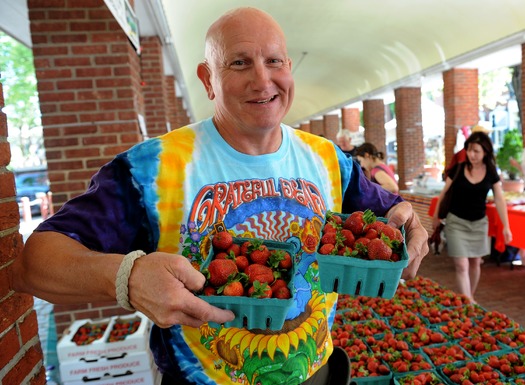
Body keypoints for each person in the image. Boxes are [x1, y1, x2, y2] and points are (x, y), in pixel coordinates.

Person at [10, 7, 429, 385]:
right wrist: (128, 277)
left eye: (274, 61)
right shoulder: (153, 169)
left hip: (317, 372)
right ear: (208, 79)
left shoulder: (329, 160)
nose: (262, 80)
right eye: (239, 63)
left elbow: (394, 216)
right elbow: (35, 263)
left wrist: (411, 226)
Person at [432, 131, 512, 303]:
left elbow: (499, 199)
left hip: (478, 224)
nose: (471, 154)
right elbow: (443, 194)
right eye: (469, 150)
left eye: (476, 151)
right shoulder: (458, 168)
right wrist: (436, 217)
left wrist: (506, 226)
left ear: (485, 152)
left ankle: (469, 298)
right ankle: (469, 302)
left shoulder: (491, 172)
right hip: (456, 223)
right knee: (461, 265)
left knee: (475, 263)